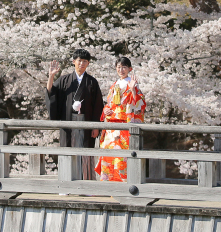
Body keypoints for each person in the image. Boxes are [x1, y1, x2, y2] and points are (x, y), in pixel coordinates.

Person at [45, 49, 104, 180]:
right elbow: (51, 94)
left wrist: (96, 126)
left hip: (86, 123)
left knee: (86, 152)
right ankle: (65, 183)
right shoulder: (64, 79)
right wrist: (51, 76)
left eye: (85, 61)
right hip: (68, 122)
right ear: (73, 62)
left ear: (88, 63)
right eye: (79, 61)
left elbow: (98, 105)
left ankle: (87, 183)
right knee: (67, 151)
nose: (81, 63)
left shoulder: (92, 82)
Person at [95, 57, 146, 182]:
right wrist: (105, 110)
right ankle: (107, 186)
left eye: (124, 67)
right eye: (118, 67)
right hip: (111, 127)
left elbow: (140, 104)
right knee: (108, 156)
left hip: (124, 127)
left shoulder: (132, 84)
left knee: (121, 158)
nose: (121, 70)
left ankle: (122, 185)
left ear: (130, 69)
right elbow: (110, 103)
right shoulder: (114, 85)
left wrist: (133, 90)